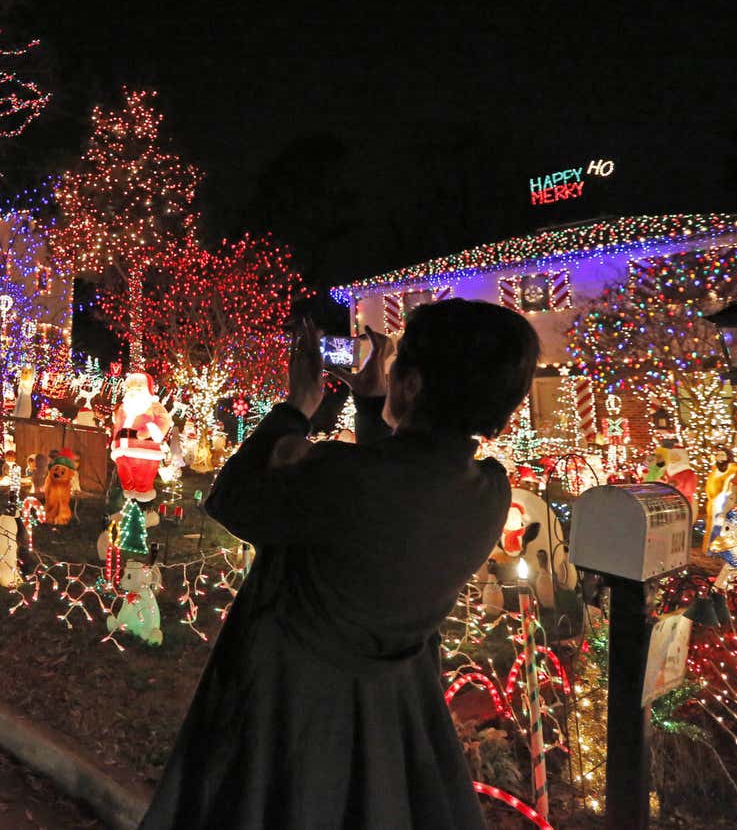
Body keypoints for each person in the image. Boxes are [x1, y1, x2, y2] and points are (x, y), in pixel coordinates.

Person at [140, 299, 539, 830]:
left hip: (291, 706)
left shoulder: (338, 476)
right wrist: (373, 407)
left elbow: (231, 498)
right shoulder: (489, 489)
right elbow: (401, 485)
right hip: (393, 710)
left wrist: (295, 408)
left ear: (414, 385)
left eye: (399, 365)